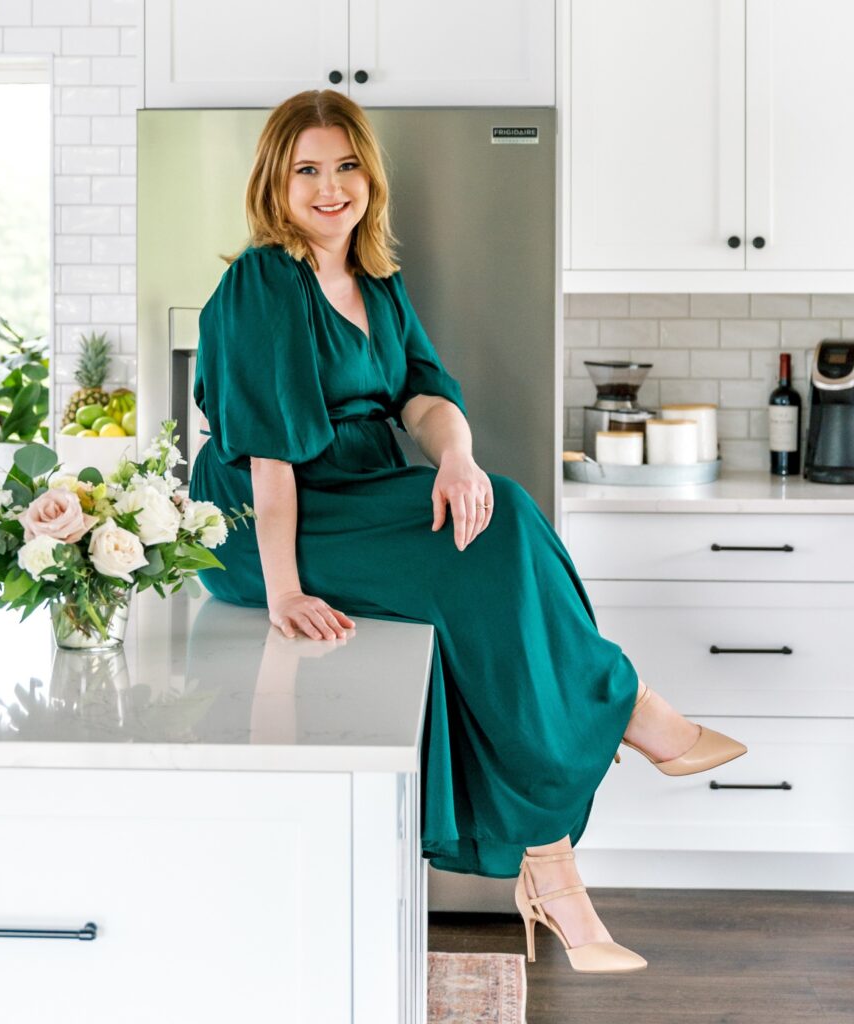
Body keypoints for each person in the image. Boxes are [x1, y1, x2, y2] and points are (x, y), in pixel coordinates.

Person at [188, 89, 748, 974]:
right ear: (275, 182)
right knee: (491, 547)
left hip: (363, 485)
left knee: (501, 517)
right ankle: (625, 717)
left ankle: (550, 863)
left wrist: (457, 458)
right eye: (307, 170)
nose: (330, 188)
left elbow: (424, 394)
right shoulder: (265, 280)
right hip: (272, 511)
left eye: (346, 167)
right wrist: (286, 588)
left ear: (369, 177)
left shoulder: (375, 281)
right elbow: (268, 458)